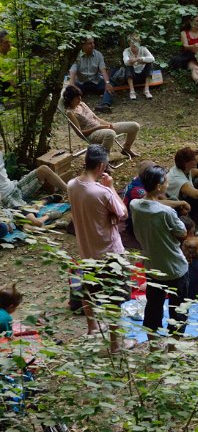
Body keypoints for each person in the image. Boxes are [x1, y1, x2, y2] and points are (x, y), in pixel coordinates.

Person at [67, 144, 133, 352]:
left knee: (90, 291)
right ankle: (115, 344)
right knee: (115, 296)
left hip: (86, 249)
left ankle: (92, 328)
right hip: (110, 252)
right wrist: (111, 186)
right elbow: (123, 213)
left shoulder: (71, 185)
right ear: (102, 165)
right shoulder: (101, 191)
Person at [130, 165, 190, 339]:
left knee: (153, 308)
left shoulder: (135, 205)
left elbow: (150, 203)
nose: (168, 182)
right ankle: (173, 347)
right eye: (165, 180)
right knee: (178, 311)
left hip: (152, 268)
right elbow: (183, 233)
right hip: (174, 268)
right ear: (158, 186)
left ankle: (153, 348)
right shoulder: (167, 213)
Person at [62, 85, 140, 158]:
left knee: (134, 126)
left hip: (101, 127)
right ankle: (103, 161)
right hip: (91, 134)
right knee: (110, 133)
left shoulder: (82, 104)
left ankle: (126, 149)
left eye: (80, 97)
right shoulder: (70, 113)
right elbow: (80, 133)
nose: (80, 99)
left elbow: (96, 118)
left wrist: (108, 124)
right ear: (71, 99)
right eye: (77, 98)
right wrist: (99, 127)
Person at [0, 149, 67, 227]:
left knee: (43, 169)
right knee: (34, 223)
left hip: (15, 188)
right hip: (7, 200)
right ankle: (47, 213)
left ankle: (72, 192)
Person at [69, 36, 114, 113]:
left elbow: (103, 69)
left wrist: (107, 83)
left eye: (93, 43)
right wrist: (72, 86)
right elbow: (72, 72)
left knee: (110, 84)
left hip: (96, 82)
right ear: (83, 45)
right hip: (81, 83)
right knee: (71, 89)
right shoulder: (77, 56)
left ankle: (105, 105)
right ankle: (77, 108)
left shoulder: (98, 55)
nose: (93, 45)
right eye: (90, 43)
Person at [171, 15, 198, 85]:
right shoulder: (184, 33)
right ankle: (197, 80)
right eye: (197, 21)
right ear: (190, 22)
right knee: (194, 68)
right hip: (189, 57)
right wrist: (193, 46)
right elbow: (185, 46)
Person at [123, 33, 155, 100]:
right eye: (132, 46)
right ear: (129, 44)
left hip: (143, 75)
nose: (134, 48)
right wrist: (131, 61)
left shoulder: (143, 49)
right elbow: (126, 62)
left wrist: (140, 59)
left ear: (139, 44)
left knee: (150, 64)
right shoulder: (126, 51)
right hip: (133, 76)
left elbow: (152, 59)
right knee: (128, 67)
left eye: (136, 47)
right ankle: (132, 91)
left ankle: (146, 90)